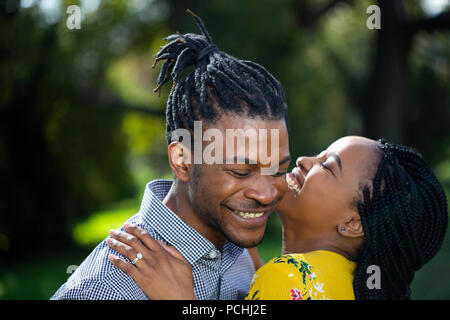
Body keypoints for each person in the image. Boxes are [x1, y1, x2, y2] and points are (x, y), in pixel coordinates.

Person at [51, 10, 291, 300]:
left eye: (278, 170)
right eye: (241, 171)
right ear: (182, 161)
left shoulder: (240, 250)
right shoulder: (104, 289)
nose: (266, 194)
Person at [106, 136, 448, 300]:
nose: (303, 160)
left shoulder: (287, 280)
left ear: (353, 223)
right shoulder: (347, 283)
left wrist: (180, 300)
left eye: (327, 166)